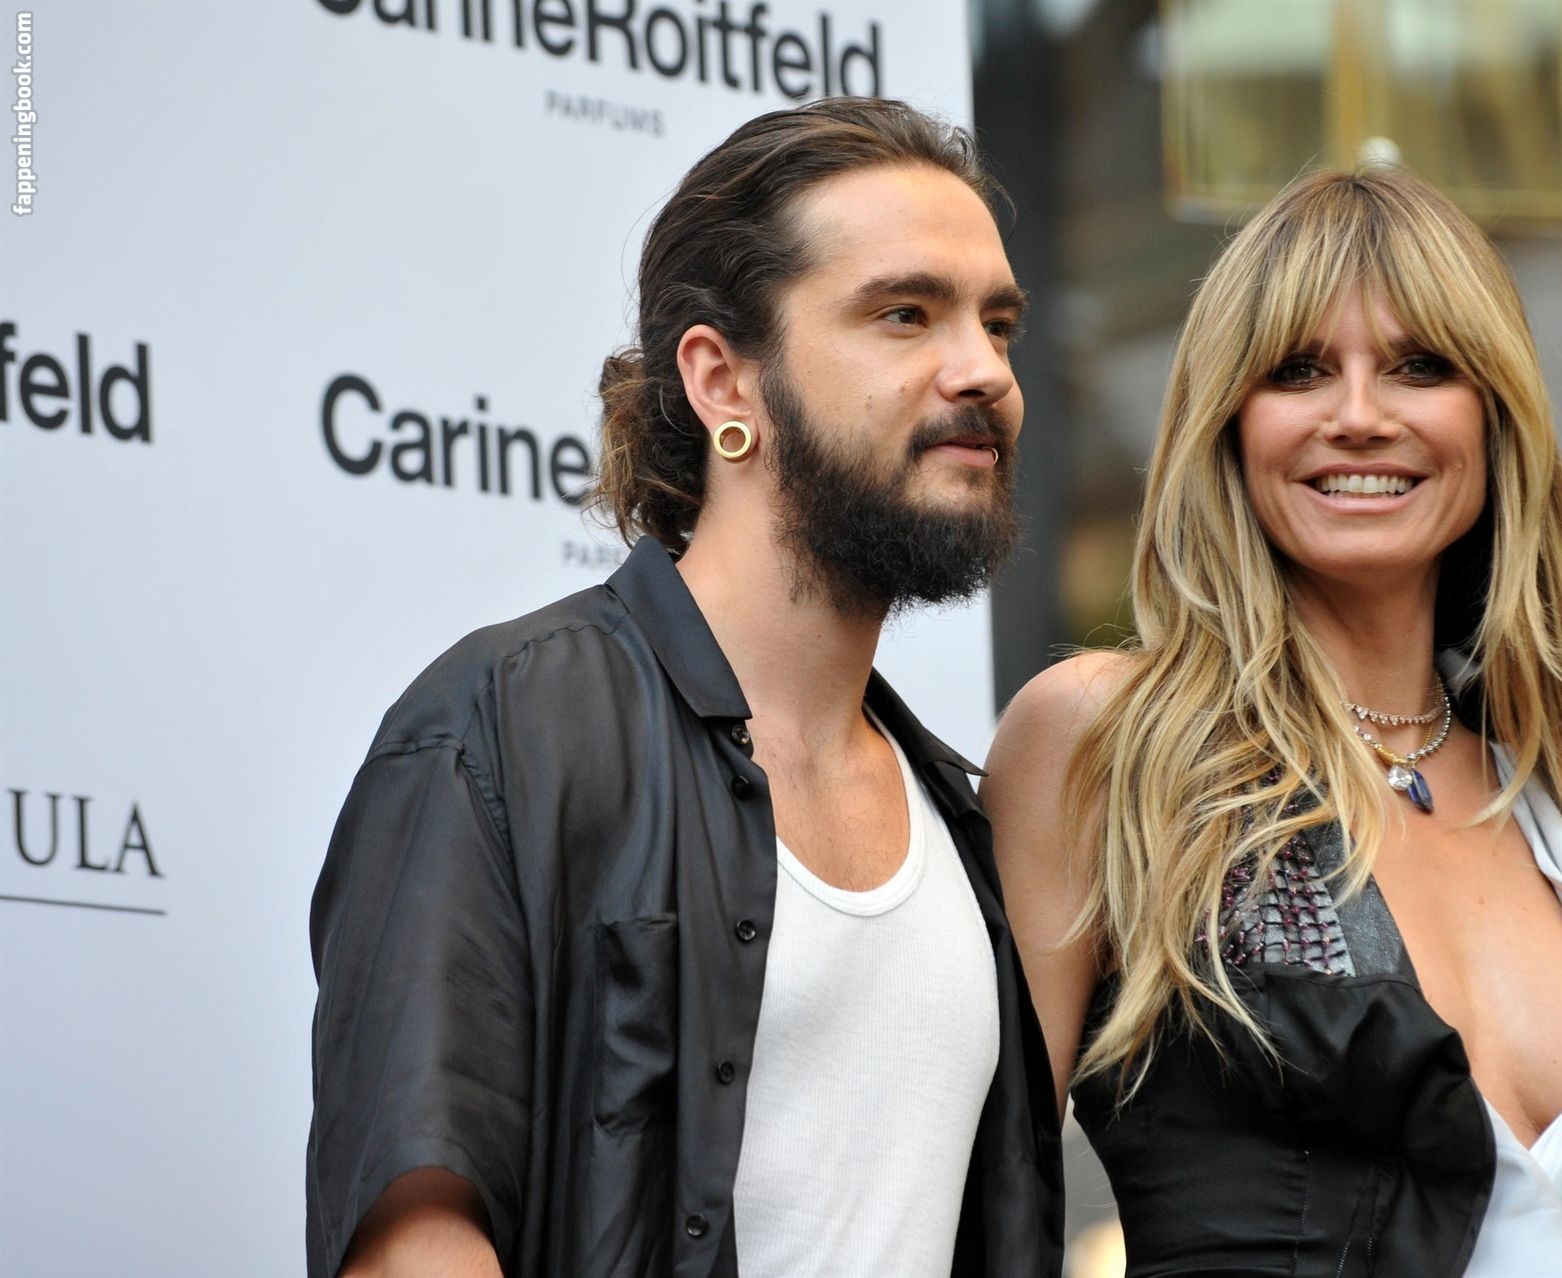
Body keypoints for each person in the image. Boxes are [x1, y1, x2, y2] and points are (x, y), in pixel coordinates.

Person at [306, 97, 1063, 1278]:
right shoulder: (501, 730)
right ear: (723, 382)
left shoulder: (962, 824)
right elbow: (416, 1240)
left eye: (998, 325)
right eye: (905, 315)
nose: (982, 372)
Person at [985, 167, 1562, 1275]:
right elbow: (992, 1201)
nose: (1361, 417)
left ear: (1495, 416)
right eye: (1299, 370)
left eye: (1421, 367)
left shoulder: (1543, 789)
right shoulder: (1110, 739)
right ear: (1229, 422)